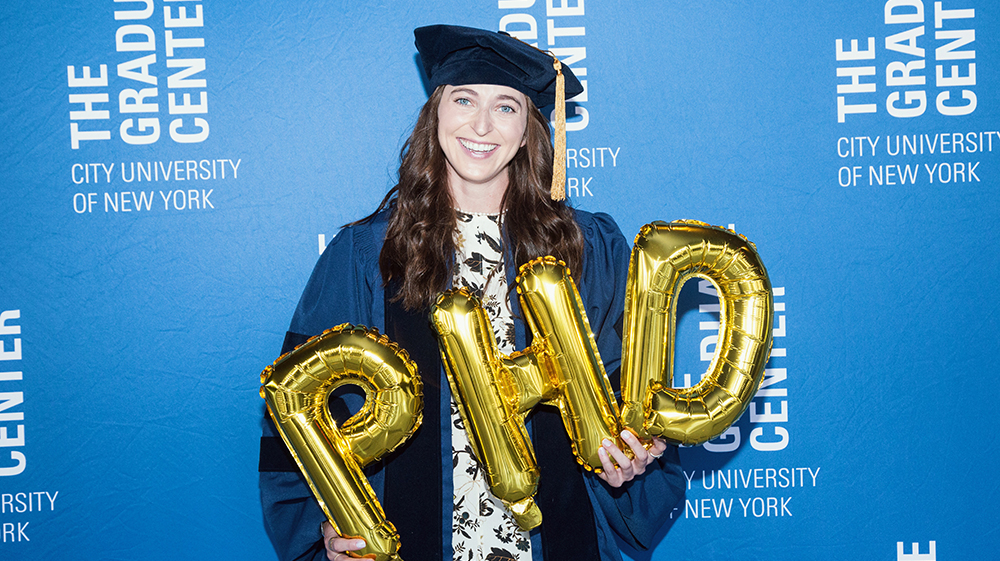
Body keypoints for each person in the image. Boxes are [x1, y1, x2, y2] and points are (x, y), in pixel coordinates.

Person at [259, 24, 685, 561]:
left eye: (507, 106)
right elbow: (302, 416)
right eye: (464, 99)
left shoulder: (585, 248)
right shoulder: (368, 255)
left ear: (530, 127)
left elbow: (631, 393)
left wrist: (636, 455)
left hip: (552, 538)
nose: (482, 124)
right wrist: (327, 529)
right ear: (435, 111)